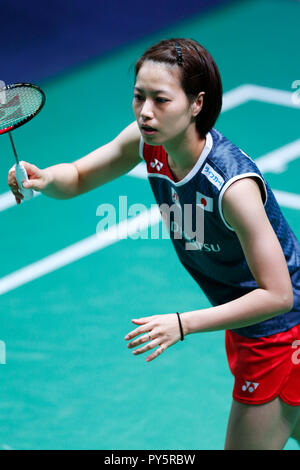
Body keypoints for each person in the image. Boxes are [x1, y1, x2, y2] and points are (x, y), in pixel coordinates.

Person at [8, 38, 300, 450]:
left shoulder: (232, 187)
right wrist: (44, 178)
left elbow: (278, 294)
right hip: (246, 324)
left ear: (197, 103)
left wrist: (182, 324)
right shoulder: (150, 143)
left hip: (280, 333)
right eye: (139, 96)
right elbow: (77, 175)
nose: (146, 111)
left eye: (161, 100)